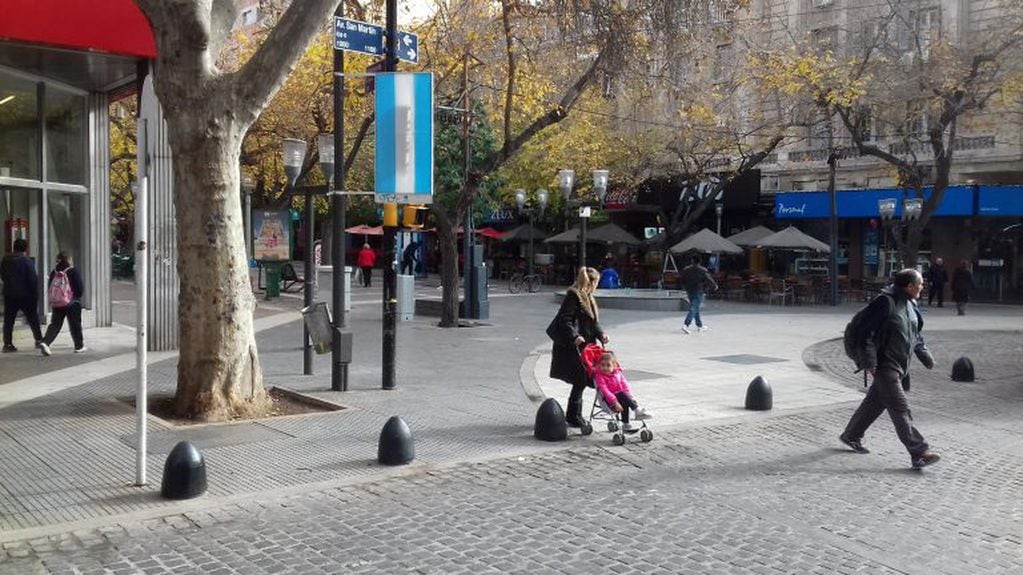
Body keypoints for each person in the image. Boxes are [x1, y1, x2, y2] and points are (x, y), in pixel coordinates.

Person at [839, 268, 940, 469]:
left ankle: (851, 435)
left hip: (899, 365)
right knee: (899, 407)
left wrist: (925, 356)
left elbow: (914, 334)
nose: (922, 286)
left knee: (875, 403)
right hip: (885, 365)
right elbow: (865, 334)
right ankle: (919, 452)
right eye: (919, 283)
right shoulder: (885, 302)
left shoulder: (910, 303)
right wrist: (870, 363)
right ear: (909, 285)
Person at [547, 267, 608, 428]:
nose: (597, 286)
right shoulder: (574, 297)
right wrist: (575, 336)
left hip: (586, 345)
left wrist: (601, 334)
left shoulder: (587, 297)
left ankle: (574, 415)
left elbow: (593, 322)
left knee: (581, 380)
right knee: (580, 379)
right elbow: (565, 320)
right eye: (597, 282)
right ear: (591, 282)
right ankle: (574, 416)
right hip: (573, 346)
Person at [39, 251, 86, 356]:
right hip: (72, 303)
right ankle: (79, 346)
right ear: (69, 259)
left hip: (58, 302)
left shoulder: (54, 272)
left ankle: (45, 342)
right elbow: (79, 288)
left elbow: (50, 286)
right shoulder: (72, 271)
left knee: (55, 324)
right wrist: (75, 297)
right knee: (75, 324)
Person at [1, 238, 44, 352]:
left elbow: (3, 276)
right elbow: (32, 279)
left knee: (9, 321)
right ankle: (39, 340)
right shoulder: (26, 261)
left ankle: (7, 344)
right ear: (25, 248)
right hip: (26, 295)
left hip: (9, 294)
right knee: (33, 318)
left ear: (14, 247)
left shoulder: (5, 260)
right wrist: (35, 295)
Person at [593, 350, 653, 431]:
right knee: (622, 394)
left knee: (625, 397)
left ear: (614, 366)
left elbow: (625, 385)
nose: (605, 368)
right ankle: (637, 410)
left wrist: (629, 397)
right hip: (610, 401)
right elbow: (604, 390)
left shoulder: (618, 373)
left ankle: (626, 423)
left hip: (622, 397)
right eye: (603, 365)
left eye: (608, 365)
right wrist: (615, 402)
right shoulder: (600, 377)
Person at [680, 255, 718, 333]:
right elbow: (708, 279)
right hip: (698, 290)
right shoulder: (703, 270)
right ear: (700, 262)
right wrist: (714, 286)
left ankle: (699, 326)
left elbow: (682, 280)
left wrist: (684, 287)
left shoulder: (686, 269)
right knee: (694, 308)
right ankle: (686, 324)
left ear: (692, 260)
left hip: (689, 290)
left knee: (695, 307)